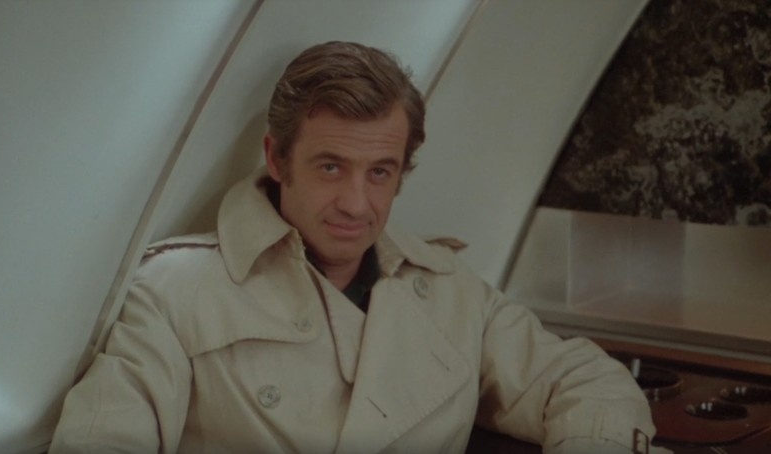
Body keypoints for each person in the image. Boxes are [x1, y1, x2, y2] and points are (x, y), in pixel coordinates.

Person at [50, 41, 660, 453]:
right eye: (331, 167)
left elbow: (583, 380)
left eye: (380, 173)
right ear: (277, 159)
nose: (356, 204)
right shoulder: (174, 292)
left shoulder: (449, 289)